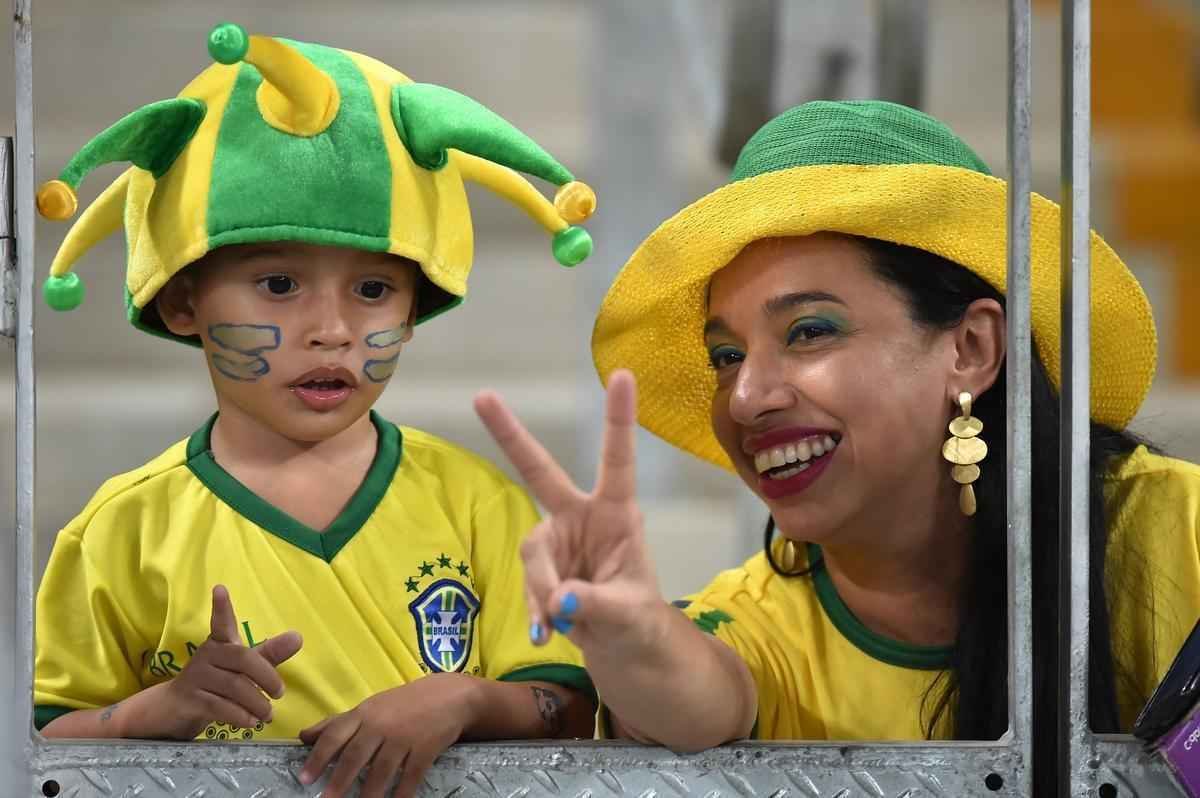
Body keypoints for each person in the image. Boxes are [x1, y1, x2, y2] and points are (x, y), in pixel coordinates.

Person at [473, 100, 1200, 793]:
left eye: (810, 331)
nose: (748, 396)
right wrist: (628, 633)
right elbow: (694, 698)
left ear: (973, 348)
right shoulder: (753, 620)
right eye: (726, 356)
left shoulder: (1179, 530)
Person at [33, 21, 598, 798]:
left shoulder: (481, 504)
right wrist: (159, 709)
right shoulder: (118, 530)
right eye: (278, 284)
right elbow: (41, 756)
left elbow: (570, 710)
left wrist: (461, 699)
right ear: (180, 301)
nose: (332, 331)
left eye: (373, 290)